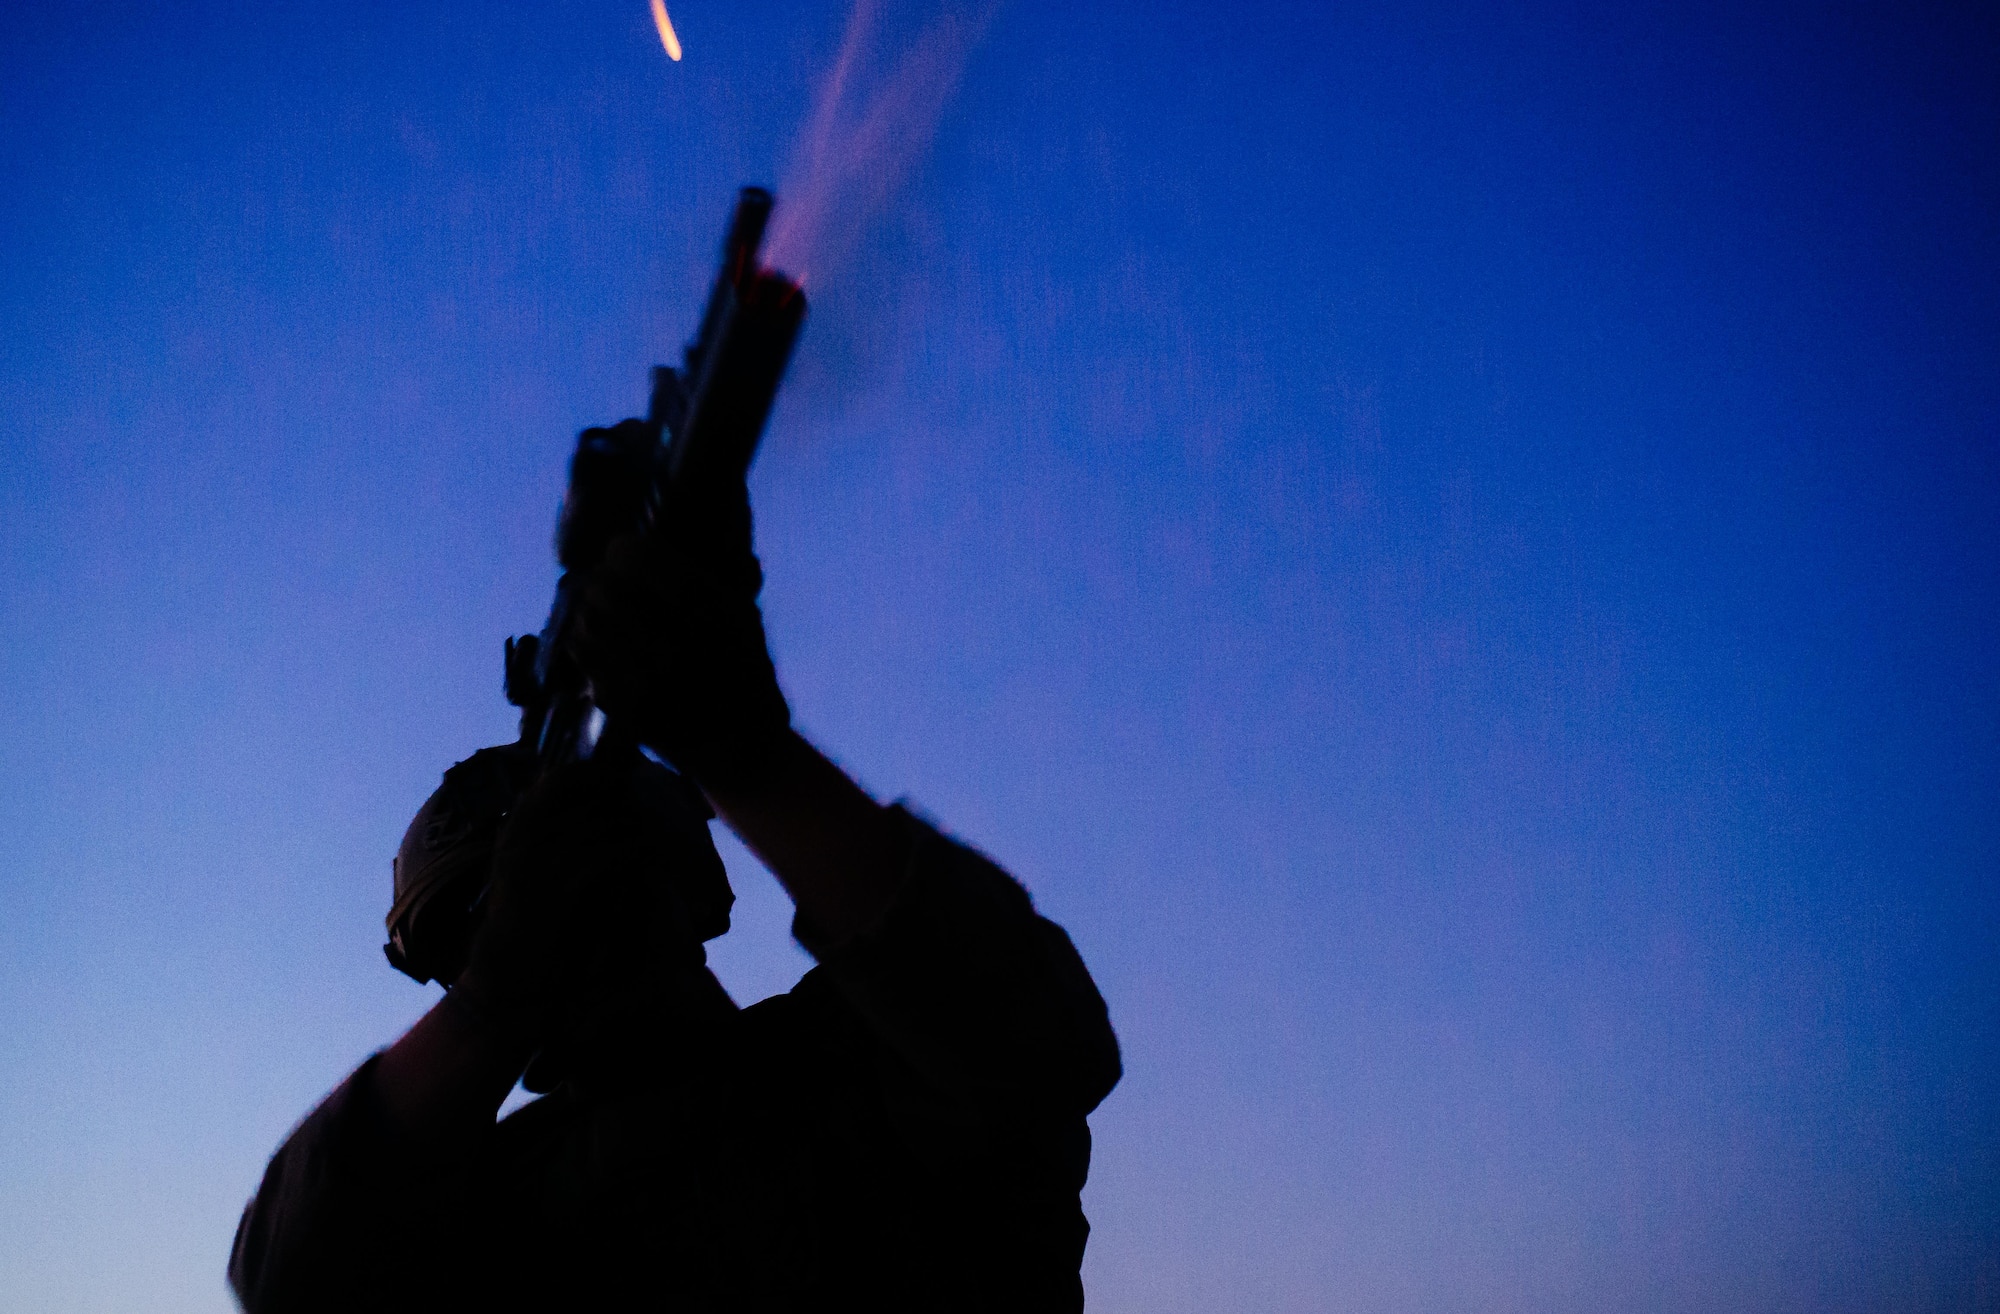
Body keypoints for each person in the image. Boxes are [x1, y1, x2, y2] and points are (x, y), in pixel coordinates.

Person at [226, 424, 1121, 1313]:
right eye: (490, 915)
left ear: (673, 872)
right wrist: (497, 994)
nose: (565, 918)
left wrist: (739, 748)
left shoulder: (859, 1070)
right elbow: (287, 1279)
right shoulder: (480, 1223)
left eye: (590, 873)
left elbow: (1036, 1045)